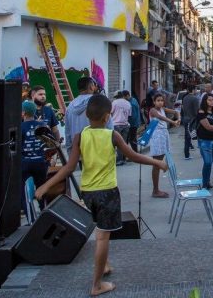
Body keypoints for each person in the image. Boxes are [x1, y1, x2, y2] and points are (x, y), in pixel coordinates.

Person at [36, 95, 167, 296]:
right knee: (103, 237)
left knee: (100, 231)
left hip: (88, 192)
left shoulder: (80, 136)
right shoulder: (112, 135)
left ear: (88, 115)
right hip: (107, 192)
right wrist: (157, 163)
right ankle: (97, 285)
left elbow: (69, 167)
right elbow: (133, 156)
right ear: (107, 117)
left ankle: (104, 265)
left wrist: (46, 186)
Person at [64, 77, 111, 151]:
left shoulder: (70, 106)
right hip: (97, 150)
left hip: (77, 150)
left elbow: (67, 130)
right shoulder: (99, 102)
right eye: (94, 85)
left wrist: (70, 150)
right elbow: (109, 126)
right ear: (91, 87)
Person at [147, 92, 180, 198]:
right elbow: (161, 118)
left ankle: (156, 189)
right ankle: (155, 190)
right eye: (158, 101)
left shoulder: (163, 109)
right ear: (154, 102)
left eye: (162, 100)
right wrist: (172, 122)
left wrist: (178, 118)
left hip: (164, 135)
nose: (160, 102)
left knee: (159, 161)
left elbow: (176, 112)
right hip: (157, 136)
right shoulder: (153, 110)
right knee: (156, 163)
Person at [20, 100, 50, 212]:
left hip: (25, 162)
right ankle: (44, 210)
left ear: (23, 112)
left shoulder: (20, 127)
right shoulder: (43, 125)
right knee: (42, 186)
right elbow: (49, 143)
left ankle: (29, 213)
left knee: (25, 189)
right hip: (41, 162)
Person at [196, 93, 213, 190]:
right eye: (209, 100)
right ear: (205, 101)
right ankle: (204, 184)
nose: (211, 102)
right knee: (207, 162)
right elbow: (208, 127)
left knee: (210, 162)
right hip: (204, 141)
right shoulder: (201, 112)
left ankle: (207, 183)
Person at [110, 91, 132, 165]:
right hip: (125, 125)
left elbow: (111, 112)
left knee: (117, 143)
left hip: (116, 125)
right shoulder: (128, 103)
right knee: (124, 143)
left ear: (116, 97)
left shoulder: (114, 102)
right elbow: (129, 115)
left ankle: (119, 160)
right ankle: (123, 159)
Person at [180, 86, 200, 160]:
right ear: (194, 90)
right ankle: (187, 155)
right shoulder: (195, 98)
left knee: (187, 138)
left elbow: (183, 108)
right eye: (195, 89)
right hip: (192, 120)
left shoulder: (185, 98)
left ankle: (187, 154)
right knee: (196, 136)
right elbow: (196, 111)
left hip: (186, 119)